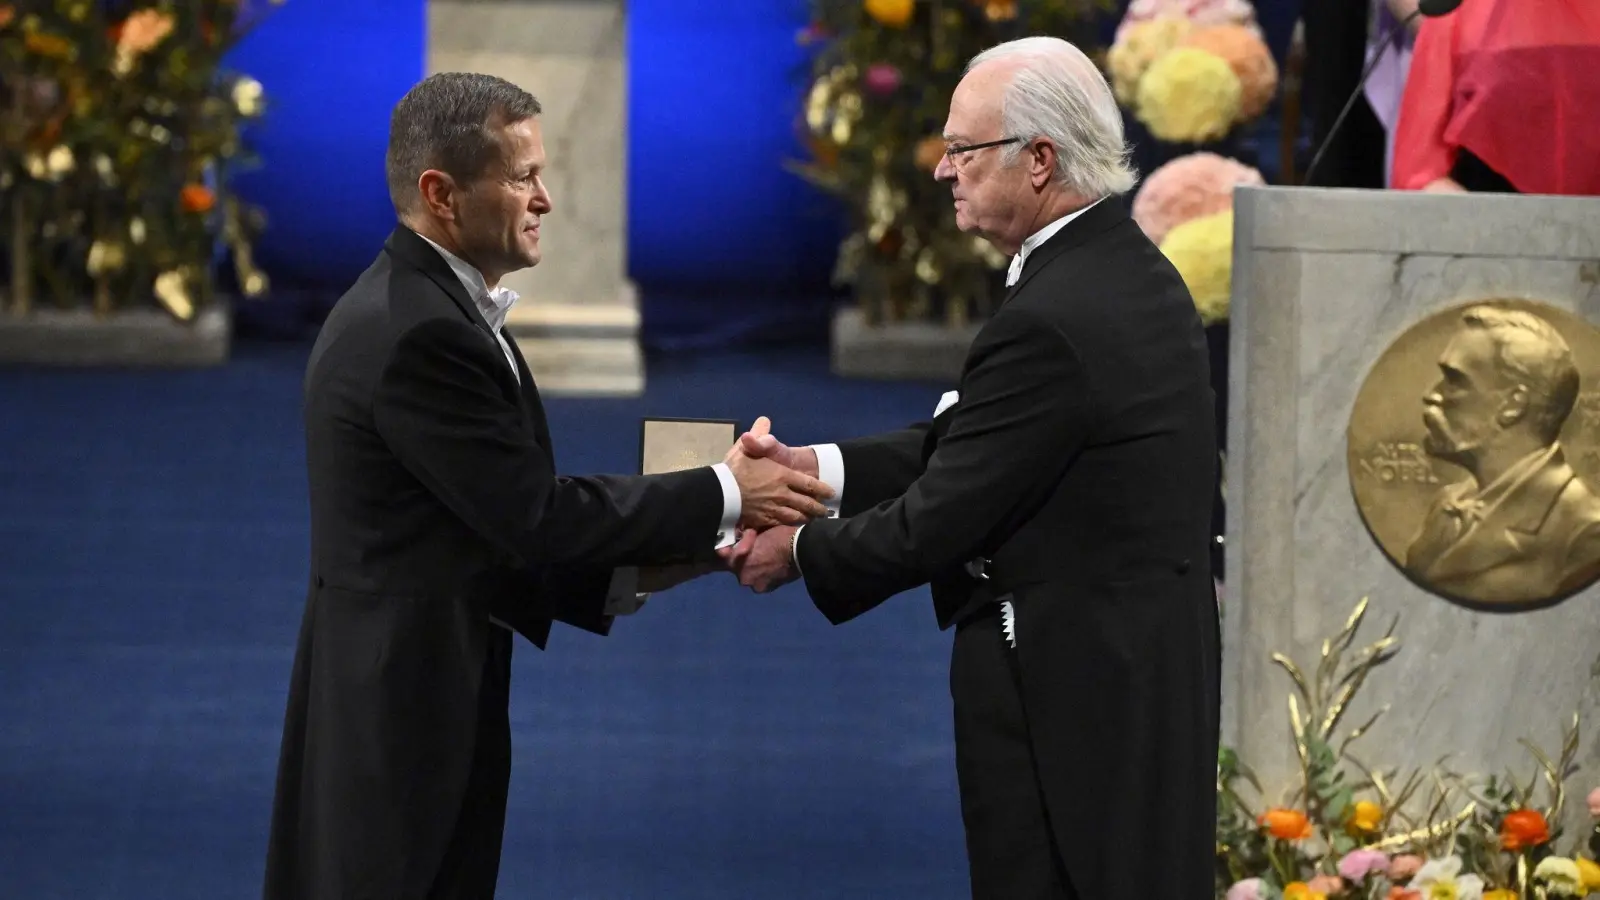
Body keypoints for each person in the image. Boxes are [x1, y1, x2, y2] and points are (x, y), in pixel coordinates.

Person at [261, 72, 832, 900]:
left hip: (417, 693)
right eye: (523, 176)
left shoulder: (435, 307)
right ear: (441, 194)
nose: (546, 198)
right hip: (398, 718)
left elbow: (484, 520)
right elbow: (536, 516)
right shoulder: (421, 335)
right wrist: (727, 490)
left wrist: (683, 552)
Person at [723, 38, 1219, 900]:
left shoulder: (1058, 315)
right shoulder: (1120, 269)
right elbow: (982, 438)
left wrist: (795, 549)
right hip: (1133, 678)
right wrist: (816, 469)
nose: (943, 169)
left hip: (1069, 699)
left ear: (1038, 160)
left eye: (963, 150)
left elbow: (939, 517)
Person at [1405, 306, 1600, 605]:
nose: (1431, 394)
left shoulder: (1584, 529)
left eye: (1454, 380)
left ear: (1513, 404)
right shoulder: (1446, 506)